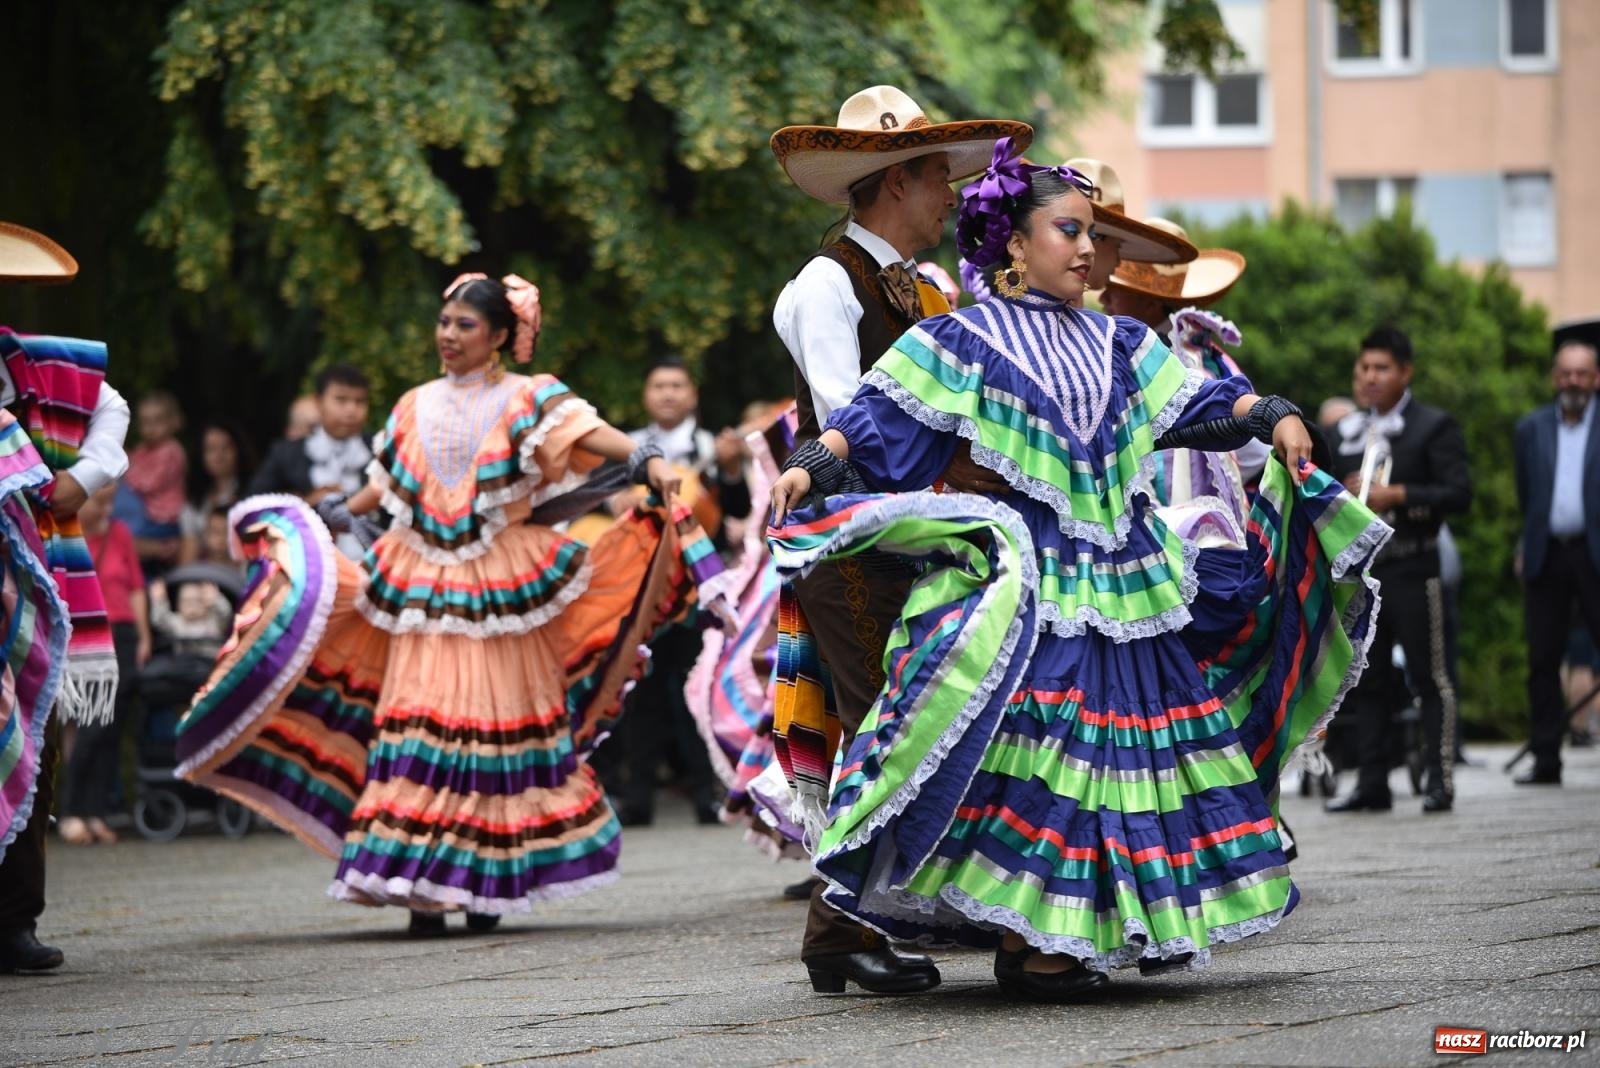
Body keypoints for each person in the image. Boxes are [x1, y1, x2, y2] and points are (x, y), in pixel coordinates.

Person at [767, 144, 1386, 1002]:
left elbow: (1197, 405)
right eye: (1068, 231)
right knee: (1044, 751)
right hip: (1027, 585)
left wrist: (1268, 412)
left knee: (1124, 756)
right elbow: (877, 419)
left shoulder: (1124, 342)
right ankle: (1035, 942)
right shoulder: (961, 337)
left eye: (1091, 234)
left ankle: (1074, 937)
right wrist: (812, 465)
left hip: (1126, 582)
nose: (1088, 250)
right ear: (1014, 245)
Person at [176, 273, 712, 936]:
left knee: (489, 729)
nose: (448, 334)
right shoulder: (414, 404)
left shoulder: (527, 396)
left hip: (498, 588)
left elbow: (591, 433)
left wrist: (649, 460)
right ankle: (421, 889)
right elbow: (386, 484)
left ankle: (484, 884)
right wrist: (336, 512)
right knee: (417, 722)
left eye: (464, 325)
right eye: (444, 322)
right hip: (423, 582)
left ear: (497, 338)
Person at [768, 84, 1032, 995]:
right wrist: (961, 476)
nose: (952, 197)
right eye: (936, 179)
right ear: (894, 182)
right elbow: (854, 425)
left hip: (921, 533)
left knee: (915, 710)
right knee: (883, 714)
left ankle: (876, 915)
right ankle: (838, 928)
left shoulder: (932, 288)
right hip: (850, 541)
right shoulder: (823, 284)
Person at [0, 220, 129, 974]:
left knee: (35, 746)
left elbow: (112, 411)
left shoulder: (47, 365)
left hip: (35, 584)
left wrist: (83, 478)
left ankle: (14, 920)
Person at [598, 356, 749, 827]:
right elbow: (604, 515)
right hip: (643, 588)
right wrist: (616, 500)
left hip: (698, 588)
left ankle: (708, 793)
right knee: (639, 691)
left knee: (697, 686)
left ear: (692, 395)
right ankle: (637, 796)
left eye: (676, 385)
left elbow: (737, 514)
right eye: (659, 385)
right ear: (647, 395)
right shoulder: (628, 449)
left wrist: (728, 474)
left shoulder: (711, 447)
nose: (667, 393)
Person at [1327, 327, 1471, 813]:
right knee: (1366, 679)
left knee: (1430, 677)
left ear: (1405, 373)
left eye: (1381, 368)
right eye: (1364, 367)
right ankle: (1372, 784)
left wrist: (1400, 495)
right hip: (1365, 572)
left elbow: (1459, 494)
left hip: (1414, 562)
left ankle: (1440, 779)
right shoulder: (1346, 432)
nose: (1370, 377)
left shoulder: (1433, 425)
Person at [1513, 339, 1600, 785]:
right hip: (1548, 552)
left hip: (1594, 551)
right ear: (1554, 377)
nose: (1573, 381)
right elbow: (1527, 496)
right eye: (1566, 372)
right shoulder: (1531, 428)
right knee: (1543, 658)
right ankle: (1547, 759)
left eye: (1582, 373)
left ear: (1596, 378)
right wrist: (1524, 547)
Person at [58, 482, 150, 846]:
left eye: (111, 502)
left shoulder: (121, 534)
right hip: (86, 635)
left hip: (123, 633)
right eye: (99, 502)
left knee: (110, 725)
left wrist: (144, 635)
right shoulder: (64, 536)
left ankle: (96, 812)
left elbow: (136, 586)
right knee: (87, 724)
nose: (106, 511)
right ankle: (71, 811)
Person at [249, 364, 373, 558]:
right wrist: (305, 503)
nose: (351, 410)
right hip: (303, 562)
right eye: (341, 400)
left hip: (373, 565)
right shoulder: (288, 453)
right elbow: (252, 506)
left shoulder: (380, 450)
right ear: (318, 402)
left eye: (360, 401)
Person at [116, 390, 187, 577]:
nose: (150, 428)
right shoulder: (142, 449)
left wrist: (127, 470)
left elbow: (149, 483)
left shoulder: (171, 451)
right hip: (148, 515)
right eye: (146, 422)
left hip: (163, 519)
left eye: (157, 421)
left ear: (174, 422)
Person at [179, 421, 254, 564]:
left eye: (225, 448)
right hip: (206, 578)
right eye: (211, 449)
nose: (218, 455)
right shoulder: (194, 503)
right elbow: (187, 559)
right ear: (201, 455)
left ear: (239, 450)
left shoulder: (254, 496)